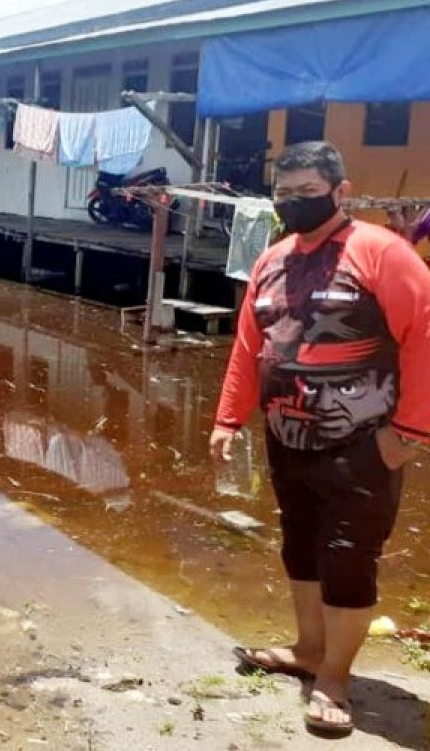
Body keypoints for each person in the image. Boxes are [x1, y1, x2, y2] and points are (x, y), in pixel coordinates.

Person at [209, 141, 430, 738]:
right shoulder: (273, 260)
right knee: (300, 546)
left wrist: (407, 434)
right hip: (288, 437)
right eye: (285, 194)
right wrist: (229, 418)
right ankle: (309, 649)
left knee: (348, 559)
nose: (295, 204)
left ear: (341, 191)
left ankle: (334, 677)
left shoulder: (382, 253)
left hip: (362, 442)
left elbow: (424, 336)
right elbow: (250, 345)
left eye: (309, 193)